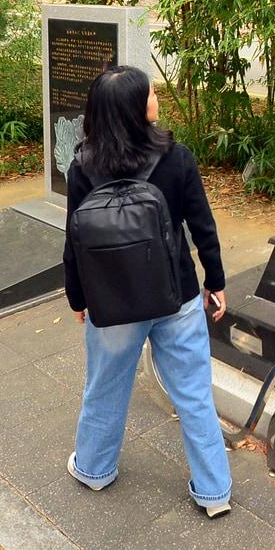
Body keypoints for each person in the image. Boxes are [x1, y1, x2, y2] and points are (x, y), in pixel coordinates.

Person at [61, 65, 233, 518]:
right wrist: (215, 281)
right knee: (194, 392)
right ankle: (214, 492)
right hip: (175, 295)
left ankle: (95, 470)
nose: (157, 97)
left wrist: (79, 299)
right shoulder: (176, 156)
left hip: (113, 303)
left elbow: (74, 241)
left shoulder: (82, 166)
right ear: (139, 107)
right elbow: (202, 227)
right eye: (152, 93)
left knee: (105, 386)